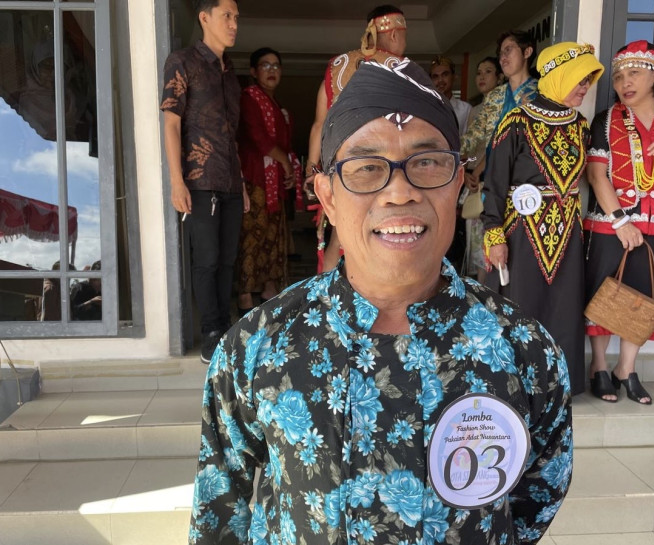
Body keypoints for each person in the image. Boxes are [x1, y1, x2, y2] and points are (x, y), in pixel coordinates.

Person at [188, 59, 572, 545]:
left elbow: (536, 498)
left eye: (427, 163)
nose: (399, 192)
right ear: (327, 196)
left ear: (458, 182)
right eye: (367, 168)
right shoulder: (258, 344)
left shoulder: (523, 348)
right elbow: (220, 508)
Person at [482, 42, 605, 397]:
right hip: (522, 232)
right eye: (579, 80)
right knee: (522, 305)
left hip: (567, 233)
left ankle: (558, 386)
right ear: (559, 76)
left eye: (588, 81)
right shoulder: (517, 121)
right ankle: (517, 386)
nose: (584, 88)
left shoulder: (580, 126)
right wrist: (494, 235)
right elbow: (495, 184)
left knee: (564, 306)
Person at [584, 40, 654, 404]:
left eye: (634, 73)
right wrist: (621, 222)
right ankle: (599, 367)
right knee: (605, 291)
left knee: (645, 295)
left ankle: (626, 368)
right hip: (611, 219)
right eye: (619, 76)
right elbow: (596, 175)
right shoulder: (606, 120)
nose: (624, 83)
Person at [160, 0, 250, 364]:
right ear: (204, 18)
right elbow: (171, 123)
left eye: (236, 18)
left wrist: (241, 183)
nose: (233, 24)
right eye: (227, 16)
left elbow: (232, 136)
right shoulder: (183, 61)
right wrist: (176, 181)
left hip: (230, 181)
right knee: (207, 259)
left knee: (228, 260)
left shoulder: (231, 74)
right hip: (199, 181)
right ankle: (211, 331)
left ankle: (225, 327)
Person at [304, 5, 407, 273]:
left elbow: (319, 124)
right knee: (382, 237)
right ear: (394, 34)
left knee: (340, 238)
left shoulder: (338, 66)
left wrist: (312, 170)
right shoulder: (399, 68)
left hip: (343, 169)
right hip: (385, 169)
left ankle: (329, 295)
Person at [236, 47, 302, 315]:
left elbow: (284, 144)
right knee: (252, 236)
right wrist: (284, 162)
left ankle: (268, 288)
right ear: (253, 72)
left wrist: (289, 168)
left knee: (273, 237)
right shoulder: (249, 99)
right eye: (265, 65)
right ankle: (244, 295)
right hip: (255, 179)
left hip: (274, 183)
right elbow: (257, 138)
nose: (272, 70)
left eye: (276, 66)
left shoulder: (278, 107)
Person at [461, 30, 539, 184]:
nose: (502, 58)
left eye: (508, 50)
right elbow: (473, 136)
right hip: (495, 181)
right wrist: (444, 148)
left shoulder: (541, 93)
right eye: (501, 53)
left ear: (527, 52)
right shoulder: (494, 96)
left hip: (528, 181)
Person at [462, 56, 504, 282]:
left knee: (487, 244)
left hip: (489, 179)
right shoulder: (475, 109)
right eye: (479, 72)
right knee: (475, 245)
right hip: (472, 179)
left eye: (488, 71)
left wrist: (477, 173)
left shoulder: (504, 107)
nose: (481, 77)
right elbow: (469, 146)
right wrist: (465, 173)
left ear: (500, 77)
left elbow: (497, 147)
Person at [429, 55, 472, 135]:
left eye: (445, 74)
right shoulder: (425, 108)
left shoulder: (466, 109)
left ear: (454, 77)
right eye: (435, 77)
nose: (440, 80)